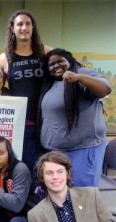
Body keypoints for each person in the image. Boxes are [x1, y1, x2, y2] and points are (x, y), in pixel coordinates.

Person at [38, 48, 111, 187]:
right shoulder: (51, 83)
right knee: (64, 197)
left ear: (69, 61)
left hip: (82, 150)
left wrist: (79, 78)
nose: (56, 66)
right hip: (56, 153)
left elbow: (105, 88)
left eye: (60, 61)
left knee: (81, 196)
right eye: (51, 64)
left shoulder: (81, 73)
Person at [0, 9, 52, 178]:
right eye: (19, 24)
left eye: (28, 24)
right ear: (12, 28)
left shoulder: (46, 52)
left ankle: (45, 204)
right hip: (22, 125)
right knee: (25, 172)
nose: (24, 27)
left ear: (33, 28)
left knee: (47, 171)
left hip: (48, 123)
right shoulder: (4, 58)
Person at [28, 151, 116, 222]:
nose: (55, 176)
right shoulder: (35, 215)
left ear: (67, 173)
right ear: (42, 177)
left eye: (60, 171)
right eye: (49, 173)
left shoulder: (92, 196)